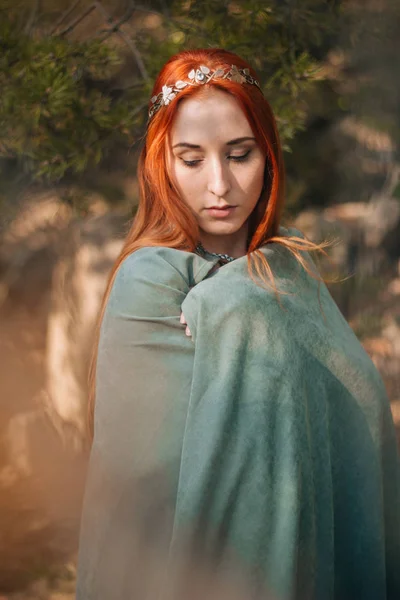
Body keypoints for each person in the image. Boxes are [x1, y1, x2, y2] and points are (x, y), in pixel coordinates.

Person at [75, 48, 400, 600]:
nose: (220, 185)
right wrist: (237, 304)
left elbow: (355, 412)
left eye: (239, 154)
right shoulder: (148, 281)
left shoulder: (290, 267)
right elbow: (146, 492)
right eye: (192, 159)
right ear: (163, 164)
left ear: (268, 156)